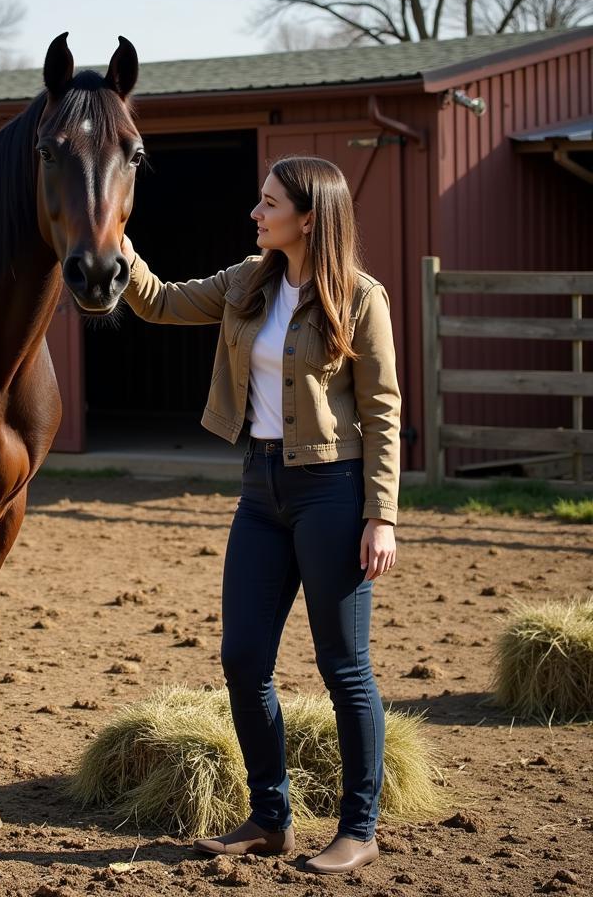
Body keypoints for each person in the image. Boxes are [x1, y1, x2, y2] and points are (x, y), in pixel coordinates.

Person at [120, 155, 400, 875]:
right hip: (260, 487)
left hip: (333, 490)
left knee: (345, 668)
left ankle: (358, 829)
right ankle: (271, 819)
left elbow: (382, 411)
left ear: (308, 218)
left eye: (268, 203)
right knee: (244, 660)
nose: (255, 213)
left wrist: (383, 516)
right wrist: (112, 233)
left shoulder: (362, 299)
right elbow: (158, 300)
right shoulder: (249, 280)